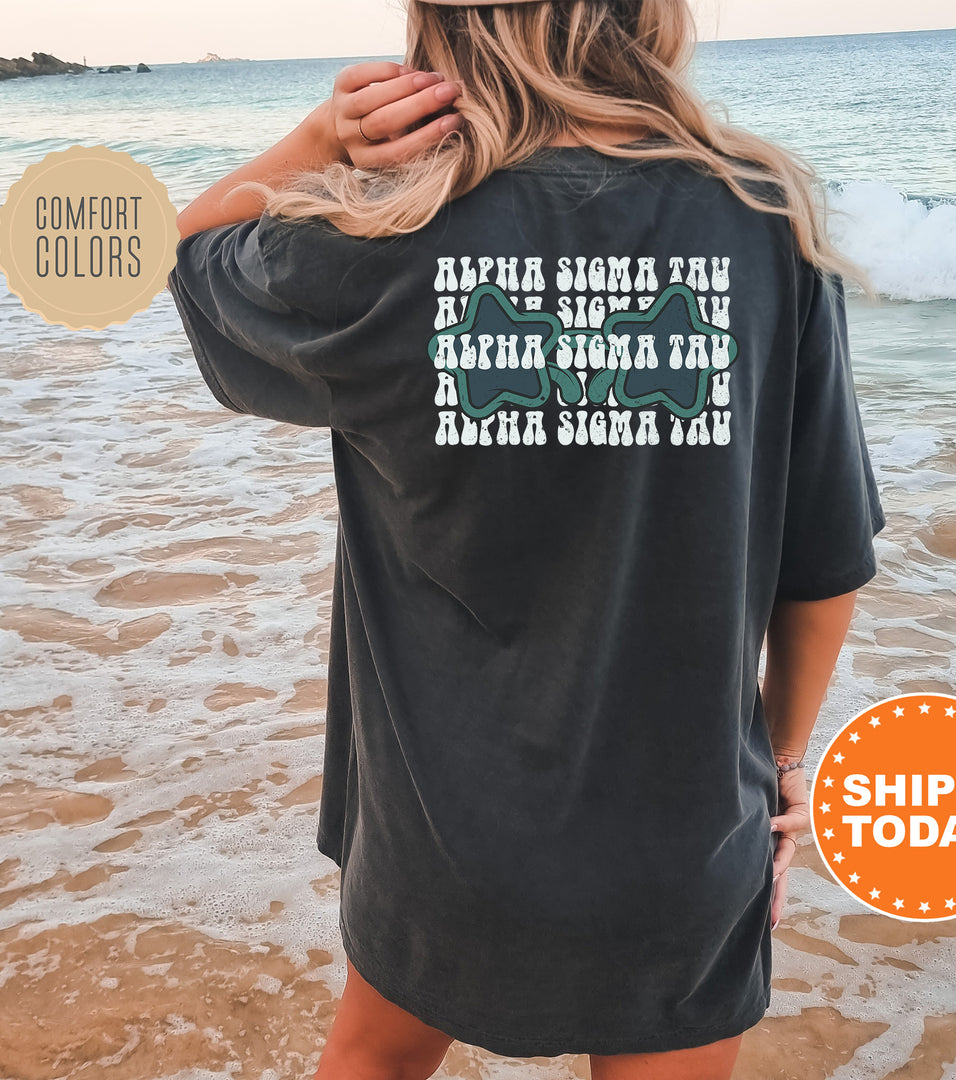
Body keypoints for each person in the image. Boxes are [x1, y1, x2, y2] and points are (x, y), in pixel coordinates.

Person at [166, 0, 887, 1076]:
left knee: (372, 1057)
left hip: (439, 833)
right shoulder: (762, 220)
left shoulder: (375, 238)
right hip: (680, 831)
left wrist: (323, 142)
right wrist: (784, 764)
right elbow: (824, 559)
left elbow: (186, 252)